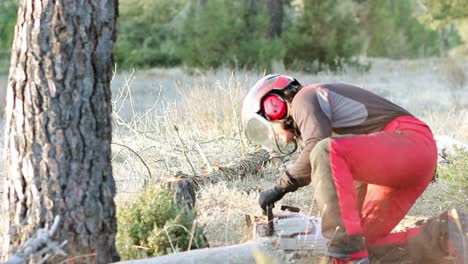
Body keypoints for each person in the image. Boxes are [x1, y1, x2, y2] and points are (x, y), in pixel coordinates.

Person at [241, 74, 468, 264]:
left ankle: (345, 249)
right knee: (365, 243)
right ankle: (447, 234)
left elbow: (316, 148)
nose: (277, 135)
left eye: (270, 127)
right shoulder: (337, 134)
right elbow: (348, 178)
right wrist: (350, 229)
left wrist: (280, 187)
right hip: (405, 160)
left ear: (274, 106)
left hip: (410, 142)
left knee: (324, 152)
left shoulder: (305, 97)